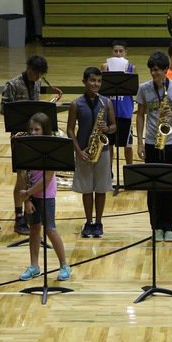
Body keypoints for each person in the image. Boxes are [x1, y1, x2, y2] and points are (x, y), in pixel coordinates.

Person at [1, 54, 63, 235]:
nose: (38, 77)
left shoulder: (37, 83)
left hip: (35, 135)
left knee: (33, 175)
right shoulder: (12, 85)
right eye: (37, 74)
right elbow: (4, 109)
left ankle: (33, 211)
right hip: (19, 136)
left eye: (40, 74)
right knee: (21, 177)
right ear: (29, 69)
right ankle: (19, 216)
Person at [135, 51, 172, 242]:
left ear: (166, 70)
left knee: (170, 186)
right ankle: (156, 226)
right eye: (152, 70)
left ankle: (169, 227)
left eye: (157, 70)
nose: (154, 74)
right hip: (152, 141)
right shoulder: (144, 88)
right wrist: (140, 142)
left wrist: (171, 115)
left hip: (171, 141)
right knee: (153, 187)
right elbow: (140, 115)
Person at [18, 112, 72, 282]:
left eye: (37, 129)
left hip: (46, 194)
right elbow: (23, 174)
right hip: (30, 194)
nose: (33, 133)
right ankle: (34, 266)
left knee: (50, 229)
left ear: (45, 130)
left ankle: (64, 265)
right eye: (31, 129)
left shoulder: (51, 149)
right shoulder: (26, 148)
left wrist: (28, 193)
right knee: (34, 229)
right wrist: (27, 200)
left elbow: (47, 178)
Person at [68, 67, 116, 239]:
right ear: (84, 81)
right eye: (92, 80)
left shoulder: (106, 102)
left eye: (99, 81)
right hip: (84, 151)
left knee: (101, 189)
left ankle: (99, 222)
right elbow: (70, 130)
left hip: (102, 150)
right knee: (87, 190)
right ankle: (88, 222)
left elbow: (114, 126)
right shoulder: (76, 104)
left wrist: (107, 128)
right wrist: (78, 151)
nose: (96, 84)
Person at [102, 39, 136, 170]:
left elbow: (133, 89)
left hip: (124, 112)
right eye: (115, 51)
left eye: (121, 51)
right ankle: (108, 171)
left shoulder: (131, 67)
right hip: (109, 113)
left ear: (125, 52)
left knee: (127, 145)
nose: (118, 54)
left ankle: (130, 171)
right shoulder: (105, 67)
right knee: (109, 144)